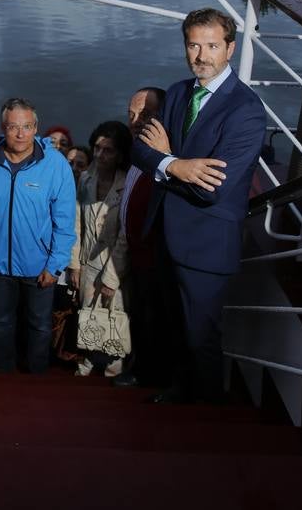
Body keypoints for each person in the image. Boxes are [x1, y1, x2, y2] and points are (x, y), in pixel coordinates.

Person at [133, 7, 266, 404]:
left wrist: (167, 160)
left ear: (230, 48)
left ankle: (207, 416)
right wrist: (178, 164)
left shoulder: (246, 110)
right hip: (165, 234)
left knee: (201, 337)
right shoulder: (176, 93)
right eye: (194, 45)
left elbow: (211, 189)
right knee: (173, 328)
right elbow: (141, 150)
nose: (201, 55)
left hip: (206, 244)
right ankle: (177, 392)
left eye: (211, 45)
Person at [0, 98, 76, 373]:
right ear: (3, 127)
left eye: (27, 127)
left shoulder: (56, 165)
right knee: (1, 322)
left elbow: (65, 223)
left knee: (39, 325)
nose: (21, 134)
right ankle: (4, 375)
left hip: (39, 264)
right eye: (13, 127)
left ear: (36, 127)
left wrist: (55, 265)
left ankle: (36, 375)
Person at [68, 120, 132, 377]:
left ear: (120, 154)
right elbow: (77, 224)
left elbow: (125, 236)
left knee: (114, 312)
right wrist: (74, 264)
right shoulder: (85, 179)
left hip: (116, 263)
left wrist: (111, 278)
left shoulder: (127, 184)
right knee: (87, 313)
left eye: (109, 150)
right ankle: (89, 358)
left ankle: (114, 362)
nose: (100, 155)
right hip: (87, 260)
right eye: (97, 148)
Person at [112, 87, 167, 388]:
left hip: (155, 257)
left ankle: (149, 373)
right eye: (131, 115)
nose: (135, 121)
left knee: (153, 318)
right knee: (142, 314)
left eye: (144, 115)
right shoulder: (137, 152)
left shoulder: (167, 157)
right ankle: (142, 366)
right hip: (136, 254)